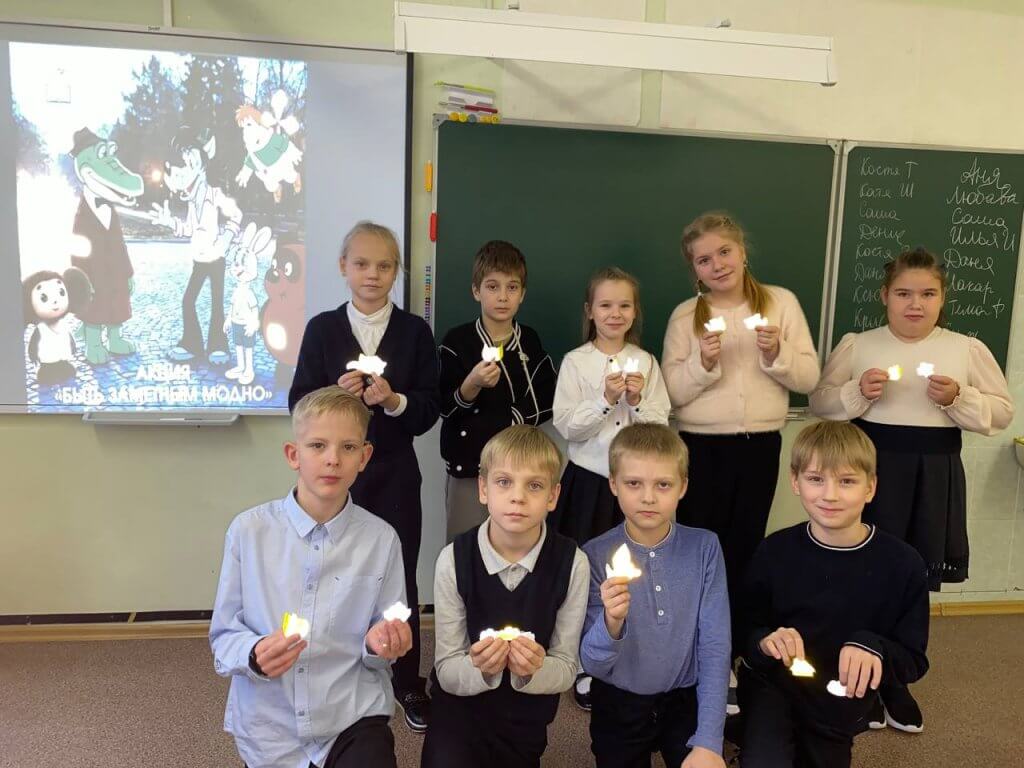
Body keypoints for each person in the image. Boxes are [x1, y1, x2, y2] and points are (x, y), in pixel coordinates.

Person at [809, 245, 1012, 730]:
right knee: (863, 574)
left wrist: (959, 397)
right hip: (870, 473)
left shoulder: (965, 349)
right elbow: (819, 402)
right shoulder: (860, 345)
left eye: (927, 293)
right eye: (903, 293)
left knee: (912, 579)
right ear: (885, 295)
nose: (915, 303)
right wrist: (857, 392)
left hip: (933, 474)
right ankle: (857, 672)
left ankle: (895, 678)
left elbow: (1003, 413)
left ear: (943, 297)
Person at [661, 211, 819, 711]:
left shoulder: (781, 303)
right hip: (700, 447)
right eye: (704, 259)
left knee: (745, 550)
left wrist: (777, 354)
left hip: (759, 445)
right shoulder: (686, 316)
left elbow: (810, 379)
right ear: (694, 270)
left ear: (743, 252)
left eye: (724, 252)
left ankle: (731, 654)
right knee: (699, 550)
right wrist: (703, 364)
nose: (717, 264)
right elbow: (671, 393)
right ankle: (694, 650)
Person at [210, 387, 413, 768]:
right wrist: (254, 654)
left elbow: (382, 638)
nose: (333, 459)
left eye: (348, 447)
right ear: (293, 455)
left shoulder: (381, 539)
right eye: (318, 446)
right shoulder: (248, 532)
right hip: (270, 725)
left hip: (350, 714)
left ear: (364, 457)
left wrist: (381, 644)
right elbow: (223, 639)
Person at [289, 221, 440, 731]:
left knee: (398, 573)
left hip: (394, 471)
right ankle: (330, 668)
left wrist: (393, 401)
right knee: (328, 569)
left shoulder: (415, 332)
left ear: (396, 272)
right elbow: (299, 403)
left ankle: (406, 680)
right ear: (343, 267)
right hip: (333, 477)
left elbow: (428, 410)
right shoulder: (322, 329)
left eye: (384, 265)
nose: (372, 274)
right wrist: (334, 395)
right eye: (361, 264)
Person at [738, 420, 929, 768]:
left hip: (838, 701)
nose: (830, 495)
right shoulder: (773, 552)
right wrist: (765, 641)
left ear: (870, 487)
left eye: (847, 481)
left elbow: (913, 660)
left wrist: (874, 647)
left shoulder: (903, 564)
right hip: (773, 689)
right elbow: (744, 630)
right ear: (795, 481)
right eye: (816, 479)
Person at [421, 425, 589, 768]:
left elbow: (566, 667)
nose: (518, 497)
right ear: (483, 489)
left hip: (525, 716)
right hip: (460, 711)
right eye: (504, 482)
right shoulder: (453, 559)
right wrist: (482, 669)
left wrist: (533, 670)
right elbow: (447, 667)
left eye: (535, 485)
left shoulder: (573, 563)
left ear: (553, 496)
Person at [552, 266, 672, 710]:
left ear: (635, 312)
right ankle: (584, 656)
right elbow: (567, 426)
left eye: (624, 305)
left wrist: (636, 401)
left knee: (633, 567)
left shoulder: (647, 362)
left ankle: (624, 646)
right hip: (588, 482)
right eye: (605, 305)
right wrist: (604, 400)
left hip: (636, 485)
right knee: (585, 568)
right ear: (590, 311)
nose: (615, 313)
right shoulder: (575, 362)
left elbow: (661, 426)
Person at [581, 423, 730, 768]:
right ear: (613, 484)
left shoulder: (705, 547)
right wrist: (611, 622)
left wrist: (709, 740)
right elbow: (592, 663)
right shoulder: (593, 555)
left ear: (683, 487)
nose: (648, 497)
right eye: (634, 483)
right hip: (618, 703)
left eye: (663, 484)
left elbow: (715, 645)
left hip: (684, 700)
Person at [438, 240, 556, 541]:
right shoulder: (457, 341)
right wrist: (471, 384)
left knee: (517, 543)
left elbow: (548, 396)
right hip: (469, 467)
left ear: (522, 294)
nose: (503, 297)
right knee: (465, 546)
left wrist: (512, 419)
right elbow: (443, 406)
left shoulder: (529, 340)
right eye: (492, 287)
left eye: (512, 288)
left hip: (520, 467)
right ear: (476, 291)